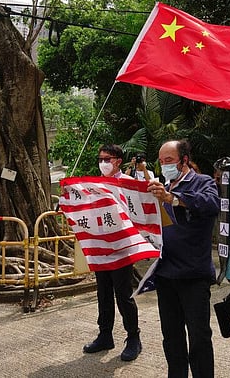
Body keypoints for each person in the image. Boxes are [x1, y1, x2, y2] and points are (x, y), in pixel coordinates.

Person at [147, 140, 219, 377]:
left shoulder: (202, 182)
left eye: (169, 160)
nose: (164, 165)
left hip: (193, 274)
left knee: (199, 336)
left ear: (184, 159)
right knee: (171, 336)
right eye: (161, 161)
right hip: (165, 273)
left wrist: (173, 198)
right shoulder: (161, 187)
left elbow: (212, 204)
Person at [82, 144, 142, 362]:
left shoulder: (128, 183)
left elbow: (137, 212)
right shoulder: (93, 184)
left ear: (118, 161)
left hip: (122, 248)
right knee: (103, 293)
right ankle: (105, 334)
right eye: (100, 159)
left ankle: (133, 337)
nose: (103, 163)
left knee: (123, 294)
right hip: (100, 247)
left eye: (107, 159)